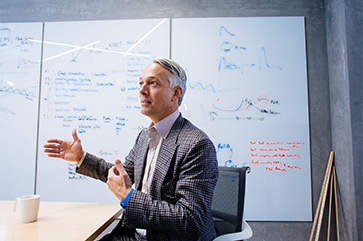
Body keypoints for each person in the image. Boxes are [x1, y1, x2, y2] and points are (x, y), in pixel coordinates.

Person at [43, 57, 219, 241]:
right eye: (141, 83)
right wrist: (82, 157)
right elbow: (122, 174)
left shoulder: (197, 145)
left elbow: (190, 220)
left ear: (175, 94)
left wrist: (129, 197)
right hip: (135, 234)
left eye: (153, 83)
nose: (142, 91)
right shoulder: (145, 136)